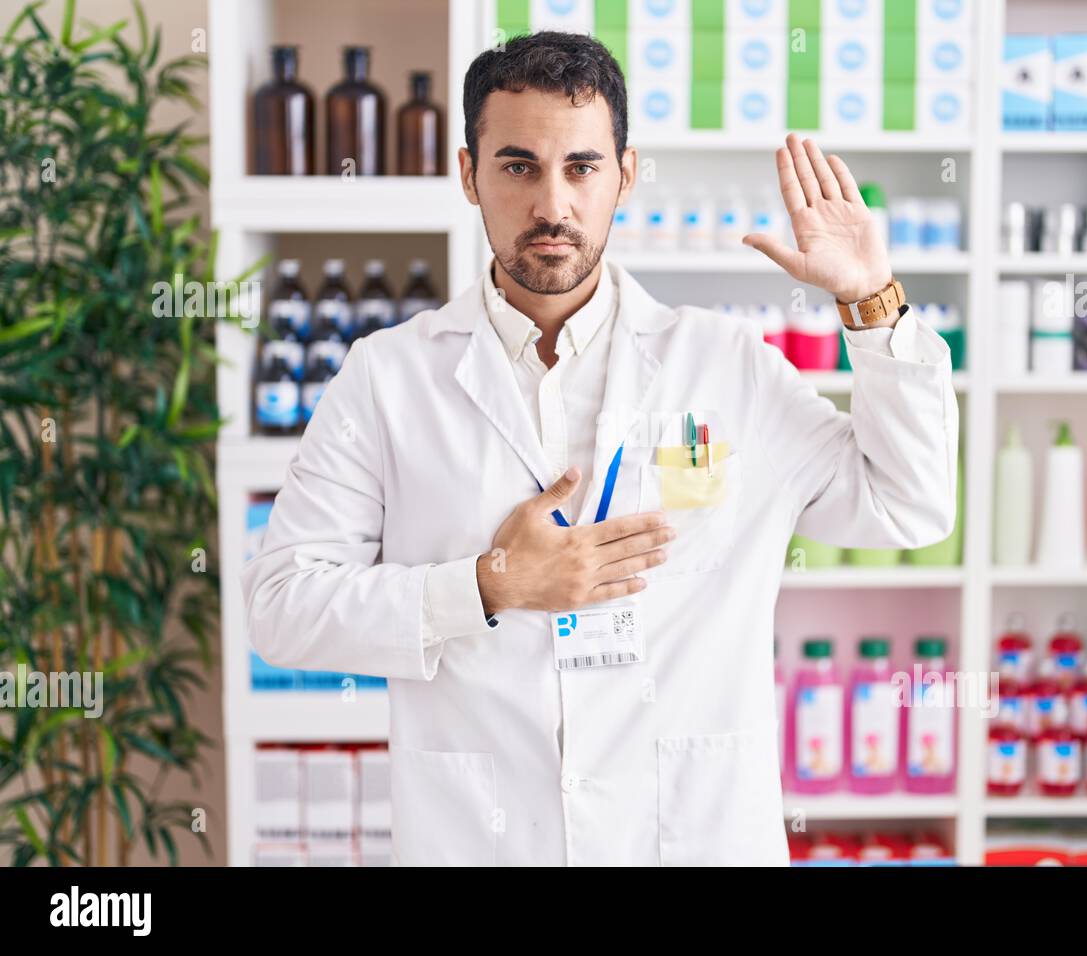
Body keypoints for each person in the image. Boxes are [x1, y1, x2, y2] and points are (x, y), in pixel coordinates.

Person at [241, 31, 959, 866]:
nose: (553, 204)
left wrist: (872, 301)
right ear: (468, 174)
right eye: (518, 166)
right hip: (482, 841)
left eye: (582, 167)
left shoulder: (726, 368)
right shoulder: (388, 378)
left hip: (690, 838)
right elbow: (281, 608)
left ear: (625, 173)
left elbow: (909, 504)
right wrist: (487, 584)